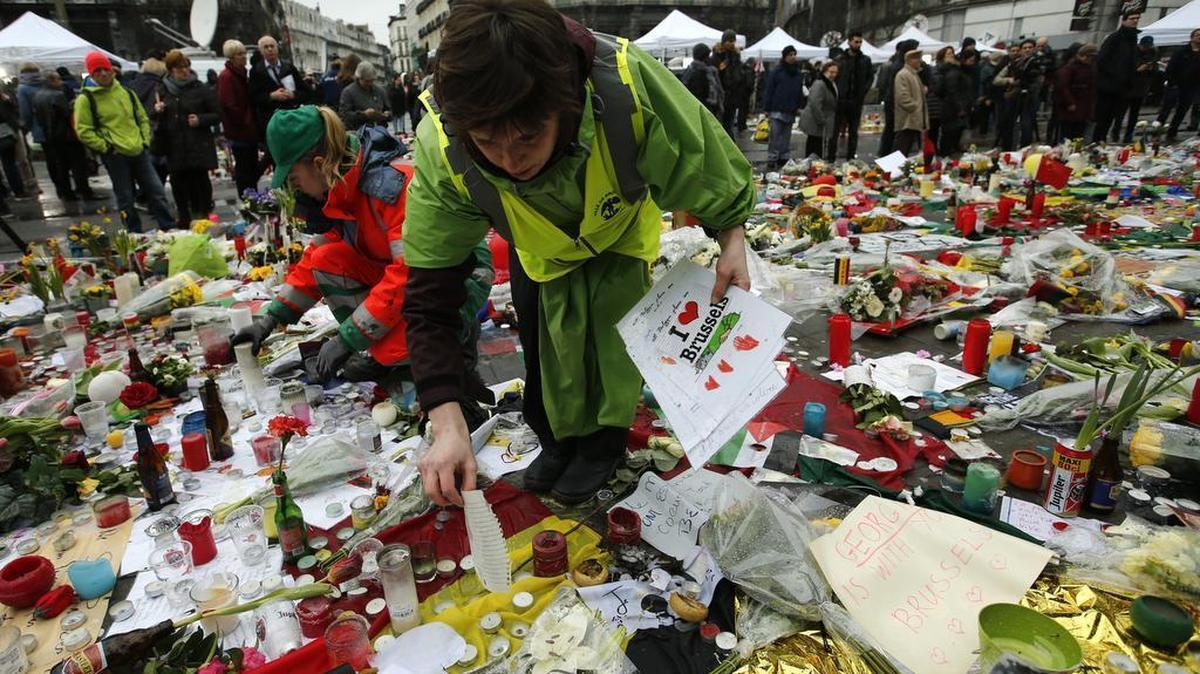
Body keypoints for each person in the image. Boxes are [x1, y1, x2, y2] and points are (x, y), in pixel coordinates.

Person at [403, 0, 754, 507]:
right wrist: (446, 422)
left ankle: (601, 447)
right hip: (538, 249)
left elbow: (703, 161)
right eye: (488, 142)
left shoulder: (626, 87)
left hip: (617, 232)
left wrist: (732, 239)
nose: (510, 159)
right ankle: (557, 442)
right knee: (548, 350)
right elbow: (431, 295)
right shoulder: (444, 146)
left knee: (612, 353)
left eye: (527, 137)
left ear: (566, 104)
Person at [231, 105, 494, 394]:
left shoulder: (388, 187)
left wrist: (347, 340)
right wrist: (271, 319)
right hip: (414, 277)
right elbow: (313, 260)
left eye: (295, 181)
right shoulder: (342, 188)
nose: (298, 192)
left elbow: (409, 275)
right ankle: (395, 357)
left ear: (319, 164)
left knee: (398, 347)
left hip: (458, 275)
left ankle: (451, 352)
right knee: (326, 260)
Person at [74, 51, 174, 232]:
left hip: (138, 150)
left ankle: (167, 226)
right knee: (126, 198)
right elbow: (83, 130)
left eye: (105, 69)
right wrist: (106, 147)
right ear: (91, 74)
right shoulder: (86, 99)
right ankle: (134, 233)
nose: (103, 74)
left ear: (112, 70)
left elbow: (142, 117)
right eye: (97, 71)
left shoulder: (126, 92)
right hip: (116, 154)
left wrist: (144, 140)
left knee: (156, 191)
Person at [154, 50, 219, 228]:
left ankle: (204, 216)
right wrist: (157, 111)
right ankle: (184, 219)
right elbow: (152, 118)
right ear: (171, 70)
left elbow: (217, 113)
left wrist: (201, 119)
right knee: (178, 184)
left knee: (201, 183)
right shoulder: (162, 90)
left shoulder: (200, 88)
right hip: (174, 147)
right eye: (179, 68)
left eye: (187, 67)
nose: (184, 71)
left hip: (197, 145)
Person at [33, 72, 96, 200]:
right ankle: (84, 191)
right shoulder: (58, 95)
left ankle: (66, 192)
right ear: (51, 81)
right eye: (58, 79)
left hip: (50, 135)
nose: (61, 82)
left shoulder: (37, 95)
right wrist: (73, 105)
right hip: (66, 135)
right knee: (78, 164)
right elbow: (65, 113)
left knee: (61, 166)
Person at [247, 35, 315, 149]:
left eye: (272, 46)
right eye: (266, 47)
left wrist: (293, 95)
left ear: (277, 48)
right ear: (261, 51)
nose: (270, 49)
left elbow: (306, 92)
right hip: (272, 123)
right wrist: (271, 96)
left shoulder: (289, 67)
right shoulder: (256, 71)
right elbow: (253, 98)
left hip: (292, 119)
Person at [217, 39, 262, 196]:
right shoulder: (227, 77)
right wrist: (245, 121)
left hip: (248, 130)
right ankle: (248, 199)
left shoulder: (242, 74)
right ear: (231, 57)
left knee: (251, 168)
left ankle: (252, 198)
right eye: (239, 54)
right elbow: (229, 105)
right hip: (240, 131)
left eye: (244, 53)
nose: (244, 57)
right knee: (244, 169)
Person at [1093, 10, 1141, 143]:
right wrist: (1116, 75)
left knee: (1112, 117)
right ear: (1124, 20)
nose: (1135, 21)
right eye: (1132, 18)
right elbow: (1102, 60)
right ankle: (1096, 141)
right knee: (1101, 118)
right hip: (1108, 86)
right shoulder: (1114, 38)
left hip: (1122, 89)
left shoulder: (1133, 39)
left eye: (1137, 18)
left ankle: (1102, 140)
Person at [763, 45, 805, 168]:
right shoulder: (777, 72)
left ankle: (783, 156)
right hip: (777, 107)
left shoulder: (797, 73)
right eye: (790, 55)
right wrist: (767, 107)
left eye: (794, 54)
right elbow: (770, 89)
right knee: (775, 135)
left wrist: (799, 105)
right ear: (785, 56)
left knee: (786, 136)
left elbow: (799, 91)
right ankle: (772, 156)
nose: (793, 57)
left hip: (791, 108)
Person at [834, 32, 874, 159]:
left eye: (860, 42)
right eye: (856, 42)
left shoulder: (865, 60)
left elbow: (870, 77)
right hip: (841, 99)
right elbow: (834, 77)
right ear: (849, 42)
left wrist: (863, 91)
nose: (858, 44)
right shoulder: (840, 59)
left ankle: (851, 157)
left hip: (856, 100)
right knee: (835, 130)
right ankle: (831, 156)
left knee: (853, 131)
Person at [1158, 28, 1200, 140]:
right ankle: (1157, 131)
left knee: (1182, 110)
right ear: (1192, 37)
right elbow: (1171, 68)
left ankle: (1172, 132)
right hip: (1176, 85)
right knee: (1166, 109)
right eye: (1197, 35)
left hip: (1191, 87)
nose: (1199, 37)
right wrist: (1172, 82)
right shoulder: (1182, 51)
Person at [878, 39, 917, 156]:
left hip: (895, 102)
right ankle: (889, 155)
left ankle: (887, 154)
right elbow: (892, 87)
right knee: (894, 132)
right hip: (896, 103)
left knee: (892, 132)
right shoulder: (898, 67)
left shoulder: (898, 65)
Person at [1055, 43, 1098, 141]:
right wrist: (1070, 102)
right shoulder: (1069, 68)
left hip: (1084, 107)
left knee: (1079, 136)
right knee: (1067, 135)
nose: (1089, 60)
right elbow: (1063, 86)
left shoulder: (1091, 68)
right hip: (1071, 107)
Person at [934, 49, 972, 156]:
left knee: (952, 135)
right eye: (949, 54)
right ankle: (946, 156)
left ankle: (949, 155)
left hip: (953, 107)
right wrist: (960, 108)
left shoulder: (956, 71)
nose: (952, 56)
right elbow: (952, 91)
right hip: (952, 108)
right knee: (950, 135)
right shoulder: (952, 72)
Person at [1121, 35, 1158, 143]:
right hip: (1128, 88)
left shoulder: (1152, 54)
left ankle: (1129, 135)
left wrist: (1151, 68)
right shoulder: (1132, 52)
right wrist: (1138, 69)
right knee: (1120, 113)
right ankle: (1116, 132)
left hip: (1141, 88)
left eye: (1148, 47)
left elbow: (1155, 70)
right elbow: (1125, 69)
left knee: (1134, 114)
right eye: (1145, 47)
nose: (1146, 49)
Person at [800, 60, 838, 160]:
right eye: (831, 72)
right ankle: (812, 167)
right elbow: (815, 103)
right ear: (825, 71)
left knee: (817, 145)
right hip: (815, 120)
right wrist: (821, 120)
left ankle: (815, 166)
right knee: (814, 146)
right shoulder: (820, 83)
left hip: (821, 120)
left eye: (835, 72)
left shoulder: (831, 83)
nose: (833, 75)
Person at [712, 29, 747, 135]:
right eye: (730, 41)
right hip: (721, 95)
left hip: (733, 95)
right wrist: (720, 69)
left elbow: (739, 74)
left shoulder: (735, 56)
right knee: (721, 124)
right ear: (724, 41)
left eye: (733, 41)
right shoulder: (717, 56)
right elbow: (714, 75)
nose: (732, 44)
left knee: (729, 123)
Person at [894, 49, 928, 156]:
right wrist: (915, 107)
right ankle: (895, 170)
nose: (920, 61)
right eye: (917, 58)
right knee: (902, 149)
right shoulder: (903, 75)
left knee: (906, 148)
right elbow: (902, 97)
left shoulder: (913, 74)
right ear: (910, 60)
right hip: (907, 119)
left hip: (914, 118)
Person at [339, 61, 390, 130]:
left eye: (372, 80)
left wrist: (387, 114)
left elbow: (388, 109)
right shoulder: (348, 92)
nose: (370, 83)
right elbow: (344, 116)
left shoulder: (380, 90)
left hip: (380, 132)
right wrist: (363, 115)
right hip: (359, 133)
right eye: (366, 81)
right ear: (359, 78)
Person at [680, 43, 723, 118]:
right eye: (707, 55)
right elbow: (702, 93)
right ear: (703, 56)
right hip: (703, 109)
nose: (709, 58)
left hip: (699, 108)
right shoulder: (702, 72)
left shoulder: (690, 70)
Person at [0, 89, 24, 202]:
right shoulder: (4, 100)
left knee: (8, 164)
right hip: (6, 135)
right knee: (10, 164)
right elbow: (12, 114)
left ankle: (4, 193)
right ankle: (18, 191)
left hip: (5, 134)